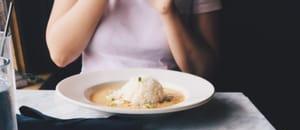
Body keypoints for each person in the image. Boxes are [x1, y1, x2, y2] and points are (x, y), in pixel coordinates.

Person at [46, 0, 221, 78]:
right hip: (93, 106)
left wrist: (167, 11)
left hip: (169, 106)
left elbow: (204, 73)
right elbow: (60, 55)